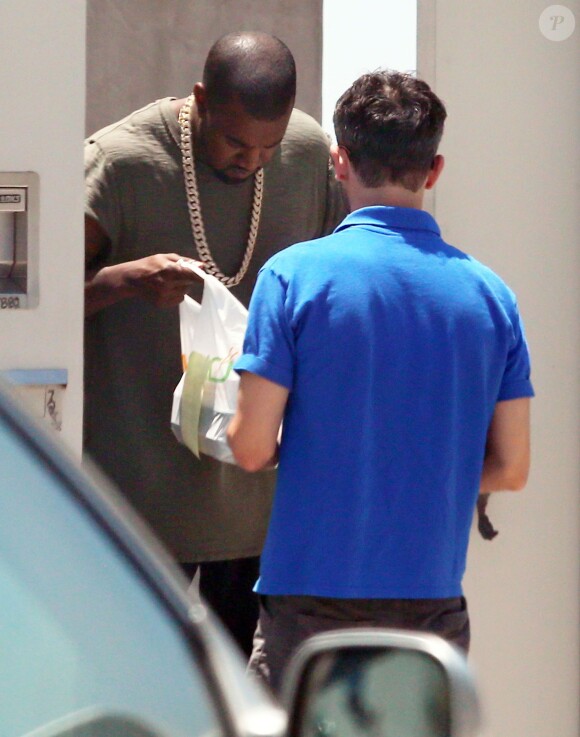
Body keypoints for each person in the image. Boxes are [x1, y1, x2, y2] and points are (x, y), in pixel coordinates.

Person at [227, 70, 534, 690]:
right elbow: (512, 468)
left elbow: (251, 446)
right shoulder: (491, 297)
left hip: (309, 598)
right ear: (435, 168)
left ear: (338, 161)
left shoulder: (292, 278)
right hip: (430, 603)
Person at [83, 31, 346, 657]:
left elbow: (340, 272)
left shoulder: (306, 153)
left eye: (267, 146)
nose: (251, 160)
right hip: (138, 500)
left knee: (239, 700)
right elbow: (29, 305)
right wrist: (124, 280)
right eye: (234, 140)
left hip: (256, 502)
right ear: (200, 99)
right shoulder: (121, 162)